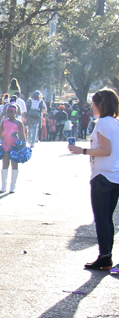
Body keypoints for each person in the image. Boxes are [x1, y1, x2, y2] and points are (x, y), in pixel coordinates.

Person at [68, 89, 119, 270]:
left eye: (93, 103)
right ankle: (106, 256)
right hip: (114, 175)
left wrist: (82, 151)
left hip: (103, 175)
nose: (91, 106)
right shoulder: (115, 122)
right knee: (107, 219)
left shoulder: (103, 123)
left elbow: (106, 150)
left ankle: (105, 256)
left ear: (101, 104)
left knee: (102, 219)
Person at [0, 104, 26, 193]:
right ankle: (4, 185)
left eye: (11, 112)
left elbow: (22, 135)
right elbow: (0, 134)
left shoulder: (19, 123)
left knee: (14, 165)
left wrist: (23, 144)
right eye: (8, 112)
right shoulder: (4, 122)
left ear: (15, 112)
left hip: (15, 146)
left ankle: (13, 186)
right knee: (5, 164)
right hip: (5, 145)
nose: (9, 113)